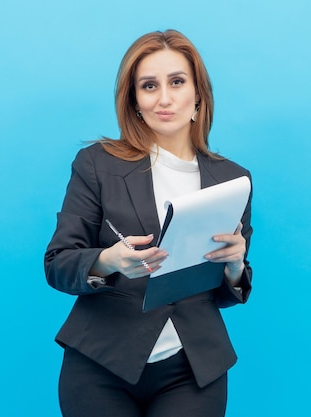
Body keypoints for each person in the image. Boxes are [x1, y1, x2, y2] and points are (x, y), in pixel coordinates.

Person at [44, 29, 253, 417]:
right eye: (149, 86)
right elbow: (57, 263)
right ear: (135, 101)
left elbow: (223, 294)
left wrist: (236, 266)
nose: (164, 97)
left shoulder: (232, 180)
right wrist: (108, 260)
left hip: (193, 368)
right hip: (100, 365)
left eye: (177, 82)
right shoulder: (96, 165)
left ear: (198, 94)